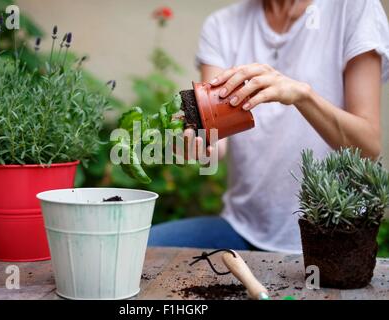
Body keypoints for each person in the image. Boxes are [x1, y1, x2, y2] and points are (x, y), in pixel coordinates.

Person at [148, 0, 389, 253]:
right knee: (140, 249)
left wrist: (303, 96)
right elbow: (214, 140)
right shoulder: (222, 25)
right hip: (242, 229)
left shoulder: (352, 7)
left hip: (330, 234)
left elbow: (368, 147)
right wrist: (197, 142)